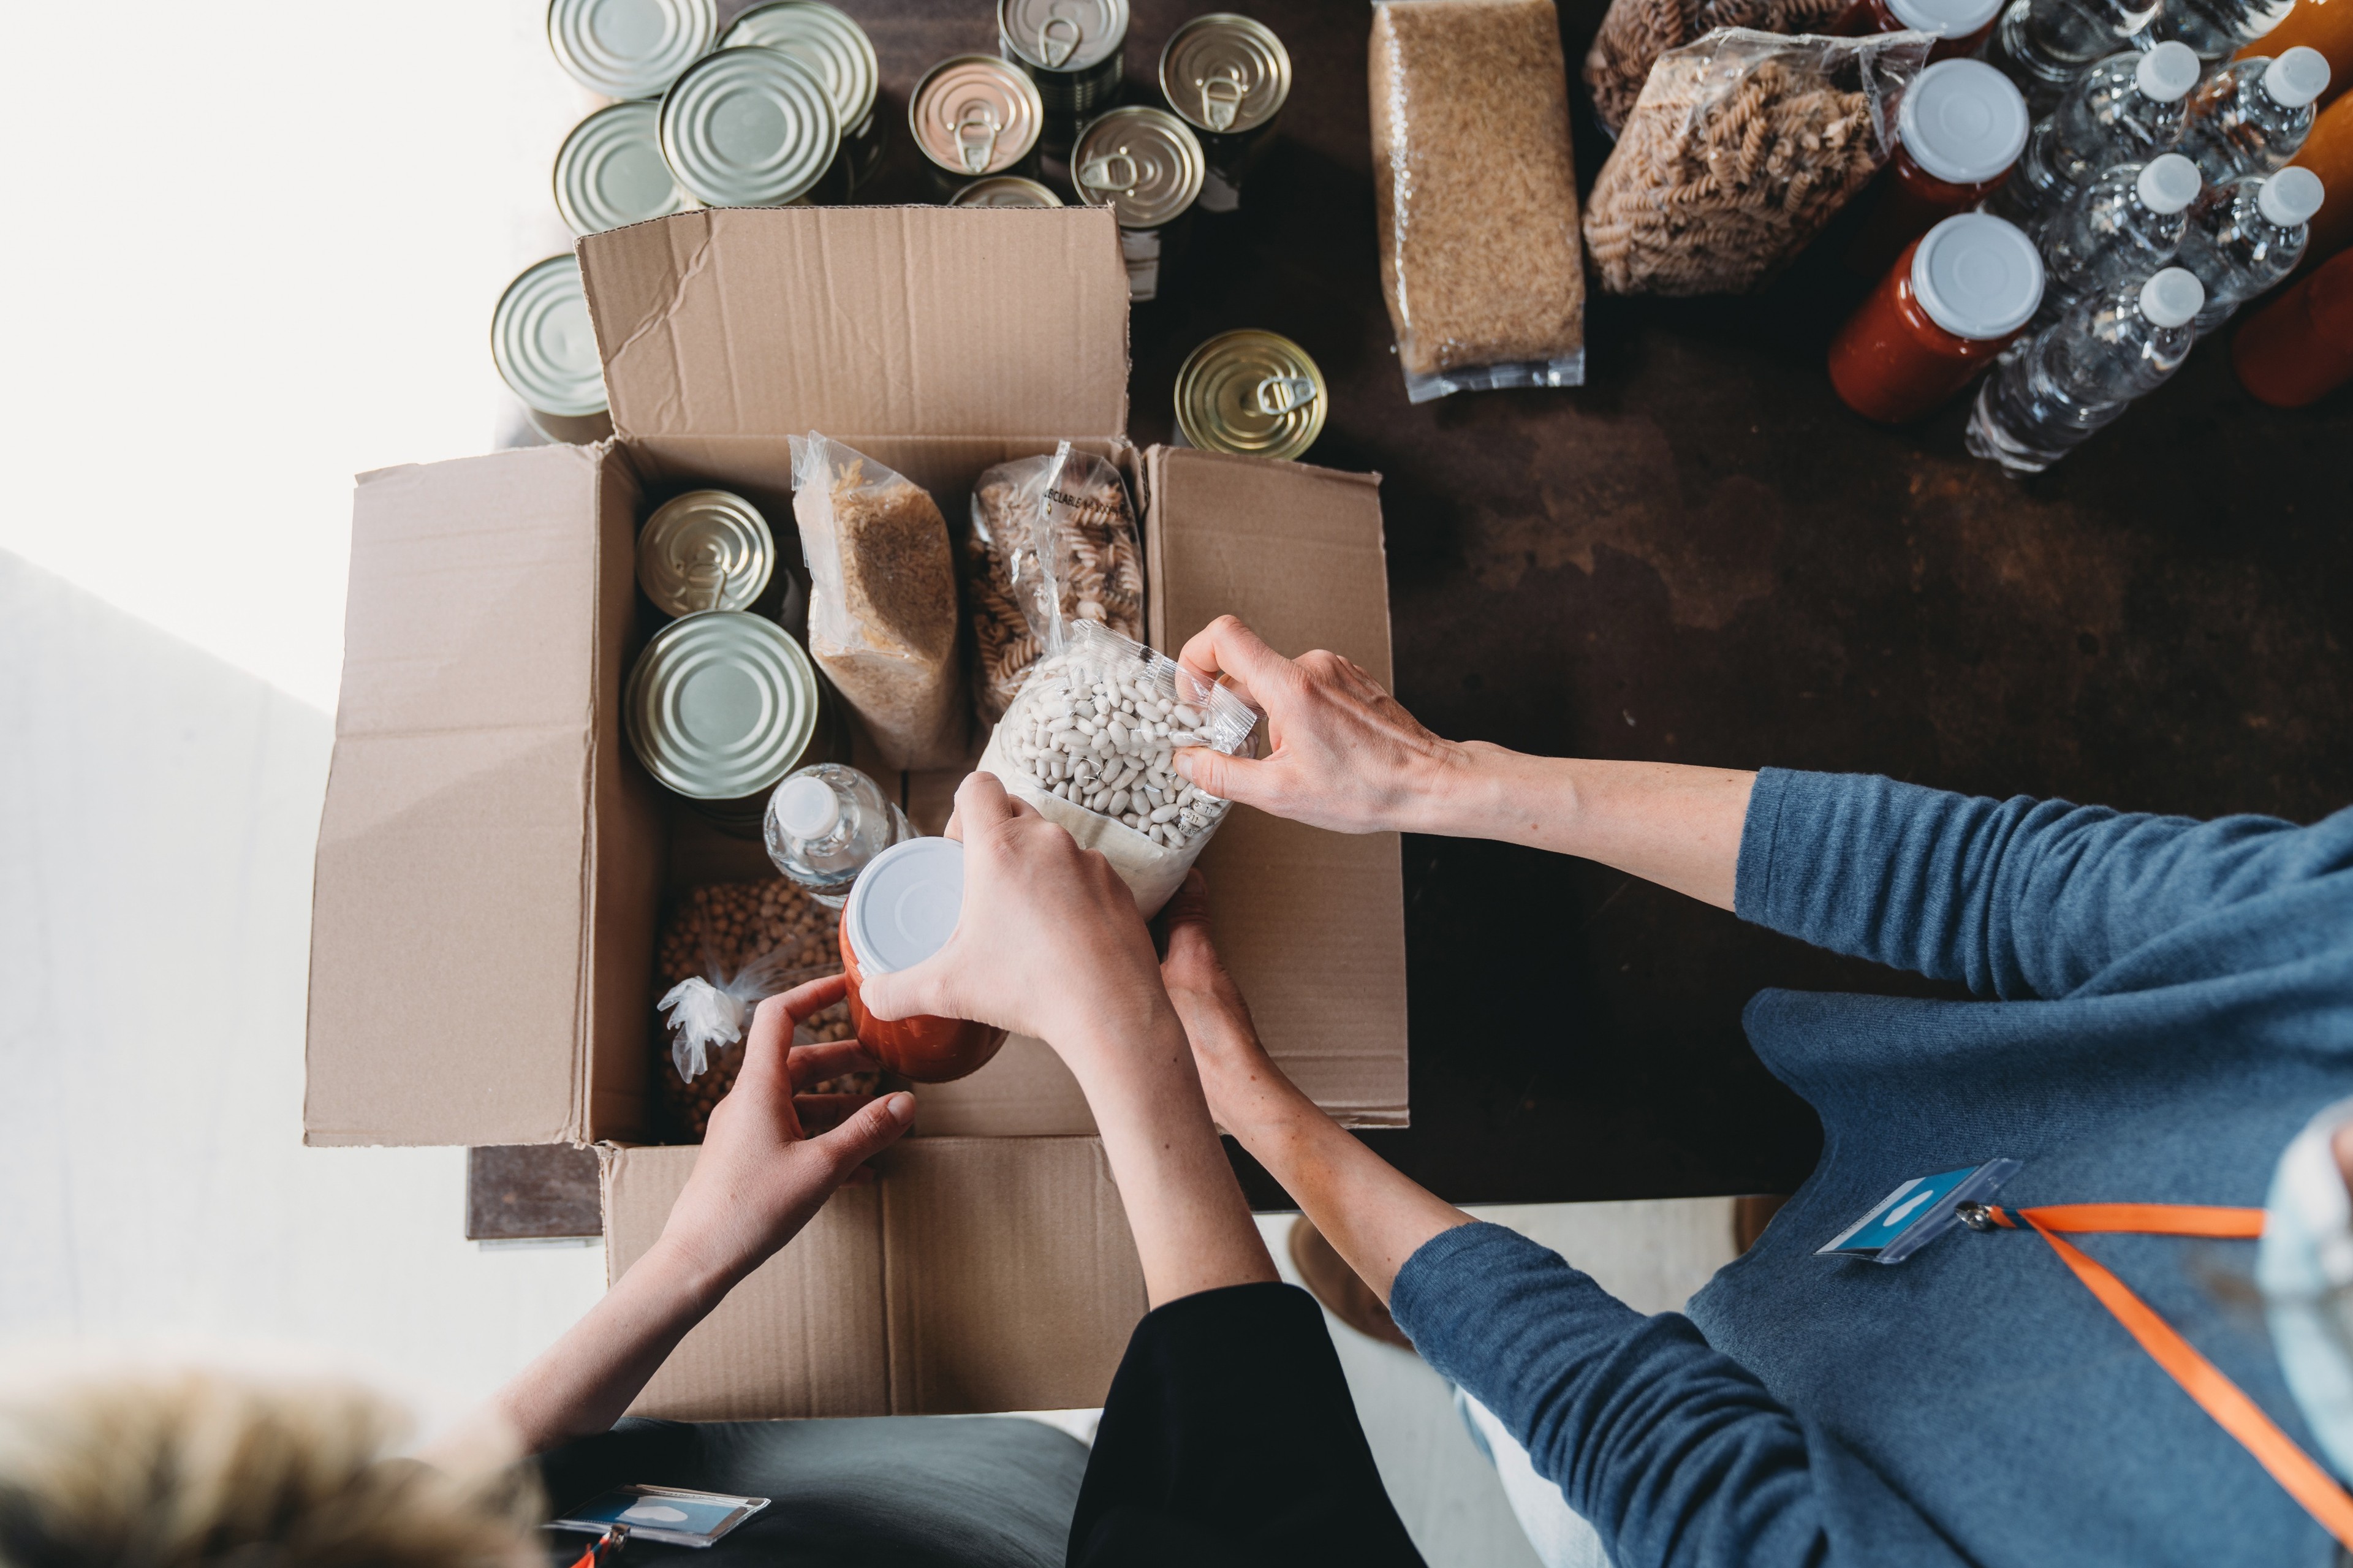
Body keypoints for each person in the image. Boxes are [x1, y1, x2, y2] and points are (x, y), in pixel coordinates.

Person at [1122, 614, 2353, 1568]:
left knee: (1538, 1416)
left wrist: (1256, 1108)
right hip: (1964, 1208)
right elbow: (2001, 883)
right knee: (1862, 1246)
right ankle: (1817, 1257)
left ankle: (1455, 1330)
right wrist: (1435, 777)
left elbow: (1659, 1450)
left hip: (1678, 1486)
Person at [0, 772, 1425, 1568]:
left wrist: (692, 1256)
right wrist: (1138, 1056)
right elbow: (1267, 1523)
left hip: (855, 1507)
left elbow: (416, 1502)